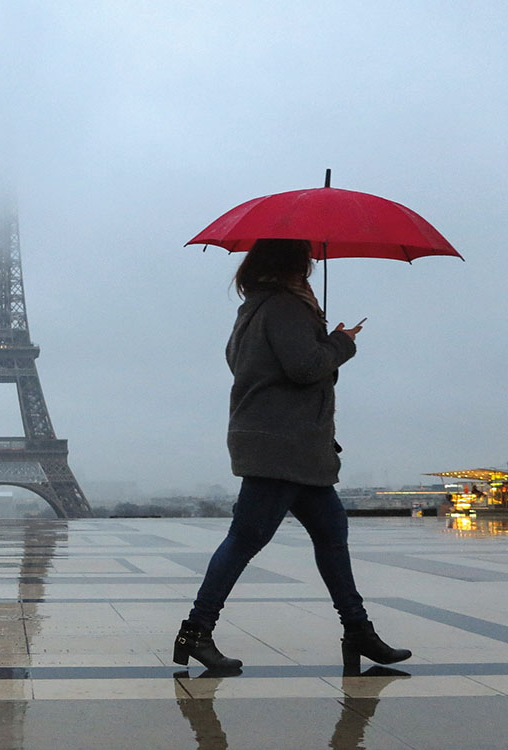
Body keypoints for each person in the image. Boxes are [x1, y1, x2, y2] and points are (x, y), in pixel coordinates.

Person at [173, 238, 410, 672]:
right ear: (294, 265)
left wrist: (323, 340)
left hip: (290, 447)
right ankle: (196, 630)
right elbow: (304, 368)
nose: (311, 268)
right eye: (306, 262)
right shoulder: (286, 307)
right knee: (247, 538)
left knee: (332, 534)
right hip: (283, 446)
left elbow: (252, 365)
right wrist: (340, 343)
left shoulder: (254, 308)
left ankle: (358, 630)